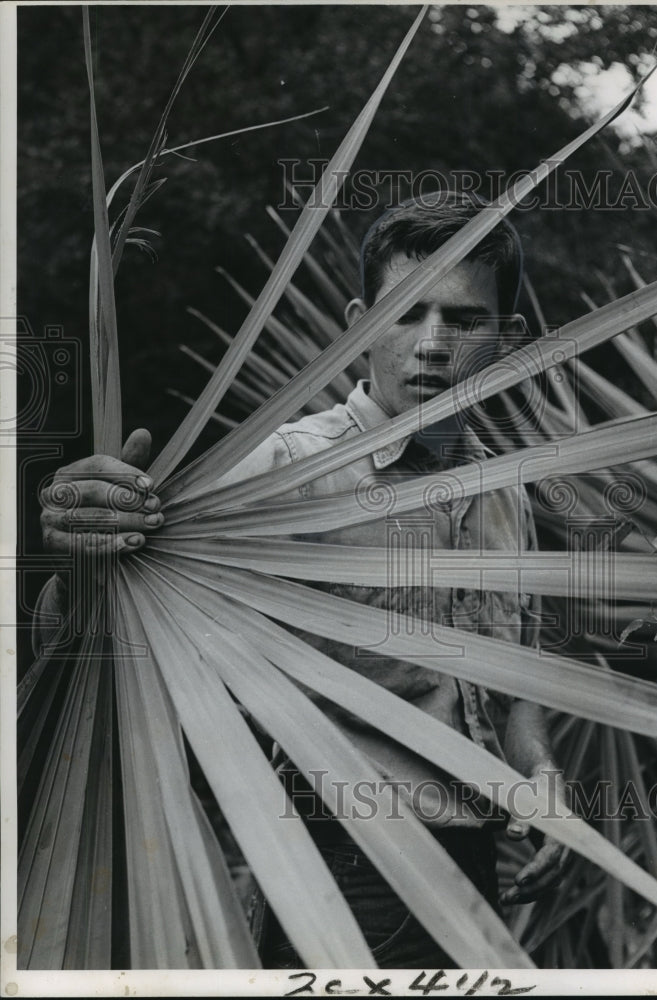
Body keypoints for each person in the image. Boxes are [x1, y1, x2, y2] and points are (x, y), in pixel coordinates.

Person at [38, 192, 567, 968]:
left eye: (462, 319)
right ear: (358, 323)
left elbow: (510, 686)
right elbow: (101, 633)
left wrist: (541, 777)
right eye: (405, 313)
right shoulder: (287, 472)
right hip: (342, 870)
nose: (431, 344)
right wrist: (80, 566)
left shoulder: (505, 494)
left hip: (481, 871)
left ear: (510, 338)